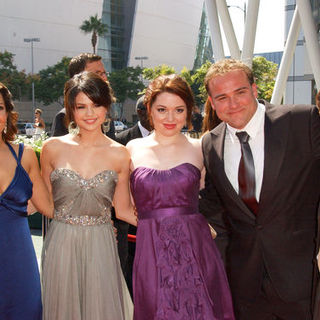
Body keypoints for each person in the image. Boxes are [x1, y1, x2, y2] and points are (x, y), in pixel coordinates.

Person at [200, 58, 320, 319]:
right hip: (245, 284)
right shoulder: (210, 143)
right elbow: (216, 209)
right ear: (212, 103)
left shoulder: (301, 120)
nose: (232, 104)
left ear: (254, 90)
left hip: (301, 276)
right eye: (222, 97)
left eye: (240, 92)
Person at [127, 74, 235, 320]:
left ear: (188, 111)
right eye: (162, 109)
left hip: (196, 248)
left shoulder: (201, 147)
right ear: (149, 110)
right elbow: (126, 207)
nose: (170, 118)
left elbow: (215, 197)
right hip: (150, 248)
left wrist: (208, 226)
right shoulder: (131, 148)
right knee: (156, 307)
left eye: (179, 110)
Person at [41, 72, 135, 319]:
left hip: (101, 242)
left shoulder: (121, 154)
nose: (89, 113)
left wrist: (178, 225)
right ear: (70, 110)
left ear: (107, 107)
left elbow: (124, 210)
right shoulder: (52, 148)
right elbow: (46, 202)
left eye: (96, 105)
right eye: (81, 106)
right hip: (61, 241)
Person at [0, 83, 53, 319]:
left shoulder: (26, 155)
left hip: (19, 262)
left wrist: (96, 219)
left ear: (7, 113)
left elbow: (49, 207)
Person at [116, 95, 152, 294]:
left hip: (158, 220)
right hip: (128, 223)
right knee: (131, 276)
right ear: (140, 112)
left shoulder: (168, 139)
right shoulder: (122, 141)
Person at [51, 53, 115, 139]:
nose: (104, 78)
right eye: (97, 73)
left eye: (104, 73)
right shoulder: (64, 117)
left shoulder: (105, 113)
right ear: (79, 77)